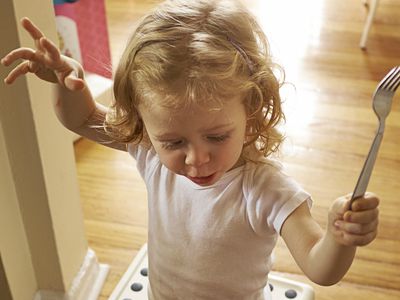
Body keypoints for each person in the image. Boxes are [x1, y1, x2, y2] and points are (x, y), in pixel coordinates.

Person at [1, 1, 380, 299]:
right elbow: (80, 120)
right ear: (143, 122)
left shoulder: (266, 189)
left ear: (251, 107)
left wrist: (339, 237)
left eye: (217, 137)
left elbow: (321, 269)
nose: (196, 159)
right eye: (174, 142)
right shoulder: (148, 149)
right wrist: (71, 86)